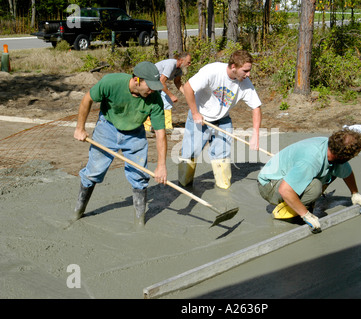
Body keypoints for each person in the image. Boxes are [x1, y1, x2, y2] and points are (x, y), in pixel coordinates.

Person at [72, 61, 168, 229]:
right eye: (149, 86)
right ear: (137, 80)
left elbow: (160, 133)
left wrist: (161, 166)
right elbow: (87, 99)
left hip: (135, 134)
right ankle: (77, 213)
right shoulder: (112, 82)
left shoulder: (155, 98)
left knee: (140, 176)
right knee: (93, 172)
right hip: (107, 128)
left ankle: (140, 223)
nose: (152, 90)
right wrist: (80, 128)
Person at [178, 50, 262, 189]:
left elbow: (256, 107)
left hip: (223, 120)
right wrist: (195, 113)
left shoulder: (245, 82)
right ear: (233, 66)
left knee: (222, 154)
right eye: (246, 71)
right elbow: (188, 88)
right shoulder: (212, 71)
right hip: (200, 118)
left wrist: (256, 135)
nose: (249, 74)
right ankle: (184, 184)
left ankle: (223, 187)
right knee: (191, 152)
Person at [257, 129, 361, 233]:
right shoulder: (311, 160)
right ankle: (288, 207)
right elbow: (284, 190)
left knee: (331, 173)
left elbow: (346, 172)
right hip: (269, 185)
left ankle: (298, 202)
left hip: (288, 175)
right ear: (342, 156)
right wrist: (306, 215)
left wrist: (355, 193)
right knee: (315, 187)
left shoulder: (331, 150)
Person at [144, 52, 192, 133]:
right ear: (181, 60)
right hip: (149, 82)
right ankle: (146, 127)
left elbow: (177, 82)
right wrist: (171, 95)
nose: (190, 64)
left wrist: (186, 94)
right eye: (188, 62)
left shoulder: (179, 69)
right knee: (151, 103)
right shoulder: (171, 64)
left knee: (167, 102)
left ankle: (167, 126)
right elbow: (161, 82)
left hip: (158, 83)